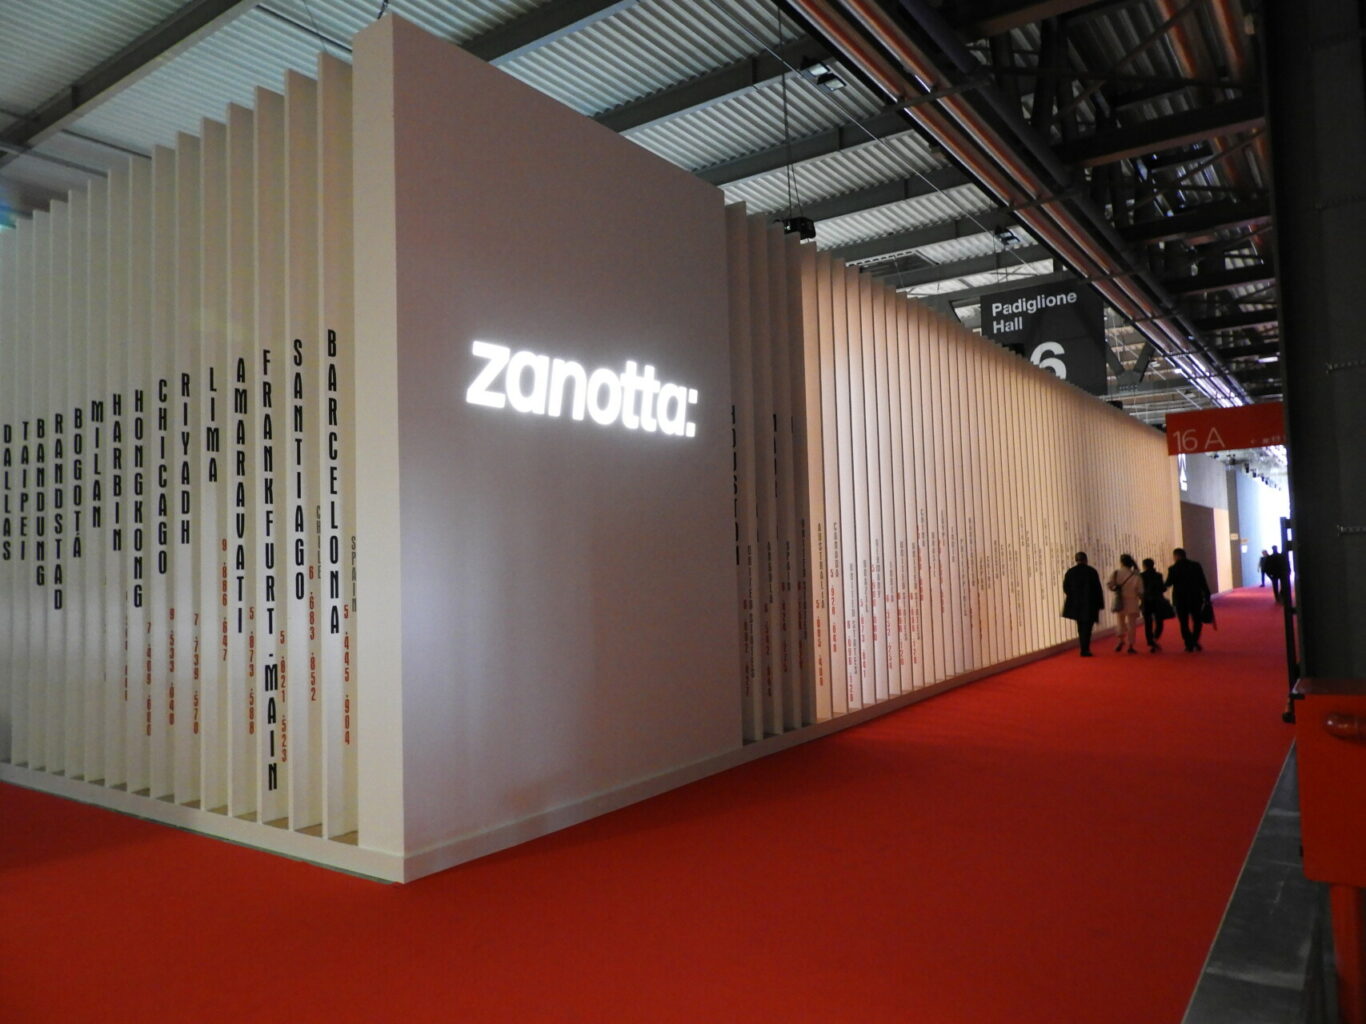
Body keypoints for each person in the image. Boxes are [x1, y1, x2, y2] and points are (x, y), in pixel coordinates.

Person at [1165, 548, 1212, 653]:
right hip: (1195, 597)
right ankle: (1194, 640)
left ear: (1176, 556)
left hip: (1180, 599)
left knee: (1183, 622)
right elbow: (1202, 581)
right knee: (1197, 620)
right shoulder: (1196, 565)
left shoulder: (1173, 568)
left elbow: (1168, 583)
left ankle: (1188, 643)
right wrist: (1207, 594)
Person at [1062, 552, 1104, 657]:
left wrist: (1073, 597)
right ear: (1086, 559)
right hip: (1090, 604)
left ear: (1076, 560)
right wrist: (1100, 604)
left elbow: (1066, 588)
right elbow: (1097, 589)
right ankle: (1085, 649)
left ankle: (1083, 648)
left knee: (1080, 627)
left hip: (1076, 604)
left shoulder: (1071, 572)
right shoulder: (1092, 571)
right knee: (1088, 627)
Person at [1107, 553, 1144, 654]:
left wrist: (1116, 589)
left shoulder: (1116, 573)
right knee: (1132, 624)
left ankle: (1121, 640)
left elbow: (1110, 585)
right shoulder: (1136, 575)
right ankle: (1130, 645)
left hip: (1120, 601)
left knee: (1120, 622)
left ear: (1121, 562)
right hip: (1132, 601)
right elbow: (1140, 591)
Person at [1139, 557, 1168, 652]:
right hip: (1157, 601)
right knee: (1159, 621)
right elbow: (1163, 588)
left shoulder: (1141, 576)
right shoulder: (1158, 575)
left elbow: (1140, 590)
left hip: (1146, 602)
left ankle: (1150, 641)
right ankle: (1155, 638)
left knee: (1148, 623)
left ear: (1144, 566)